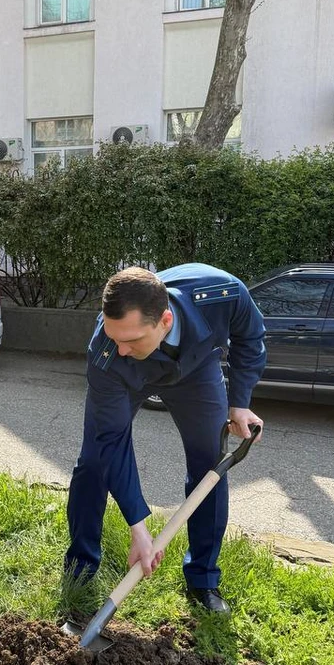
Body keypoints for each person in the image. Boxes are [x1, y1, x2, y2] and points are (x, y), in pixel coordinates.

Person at [66, 263, 266, 615]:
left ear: (165, 321)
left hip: (195, 368)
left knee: (210, 467)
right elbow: (113, 440)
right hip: (125, 379)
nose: (121, 346)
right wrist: (138, 527)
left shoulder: (223, 294)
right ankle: (81, 570)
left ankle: (203, 579)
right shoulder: (109, 353)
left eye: (130, 339)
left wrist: (240, 403)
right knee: (95, 462)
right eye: (114, 337)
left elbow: (251, 338)